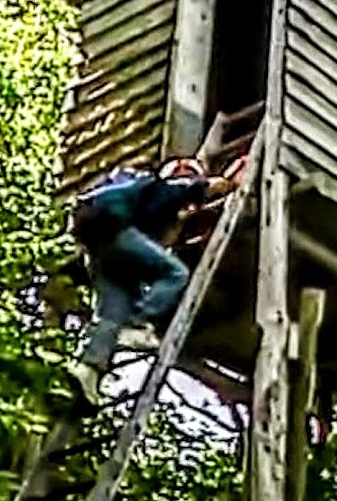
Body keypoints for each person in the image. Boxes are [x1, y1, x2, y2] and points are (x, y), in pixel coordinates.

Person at [66, 159, 233, 405]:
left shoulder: (139, 199)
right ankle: (139, 323)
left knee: (113, 314)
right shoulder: (162, 186)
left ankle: (88, 370)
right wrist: (209, 186)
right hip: (115, 231)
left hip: (98, 248)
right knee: (176, 274)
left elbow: (155, 241)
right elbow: (183, 191)